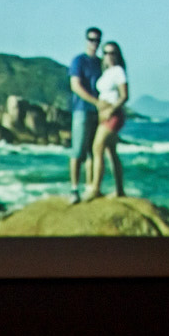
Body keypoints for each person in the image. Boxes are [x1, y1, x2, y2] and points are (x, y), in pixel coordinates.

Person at [85, 42, 129, 200]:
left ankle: (95, 188)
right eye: (106, 53)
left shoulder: (118, 71)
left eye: (112, 53)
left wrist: (111, 110)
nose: (109, 56)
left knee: (97, 148)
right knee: (111, 152)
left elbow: (124, 95)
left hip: (113, 115)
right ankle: (119, 190)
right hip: (104, 116)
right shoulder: (107, 72)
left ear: (118, 55)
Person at [67, 28, 103, 204]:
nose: (94, 43)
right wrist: (95, 102)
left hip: (98, 113)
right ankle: (74, 189)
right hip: (81, 110)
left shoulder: (101, 63)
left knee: (93, 152)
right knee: (78, 151)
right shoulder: (78, 61)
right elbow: (75, 86)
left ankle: (91, 188)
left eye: (97, 40)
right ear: (86, 40)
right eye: (91, 39)